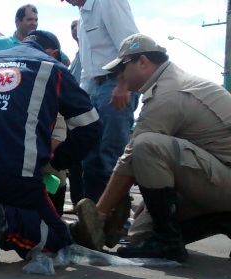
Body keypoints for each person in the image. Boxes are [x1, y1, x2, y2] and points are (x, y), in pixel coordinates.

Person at [0, 30, 101, 269]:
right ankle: (7, 222)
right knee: (58, 239)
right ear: (54, 53)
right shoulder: (54, 69)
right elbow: (90, 127)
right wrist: (57, 162)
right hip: (16, 171)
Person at [74, 33, 231, 262]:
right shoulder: (170, 83)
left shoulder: (168, 93)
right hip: (219, 176)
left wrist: (100, 213)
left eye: (122, 68)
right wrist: (152, 200)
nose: (120, 76)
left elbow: (131, 158)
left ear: (143, 61)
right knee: (141, 234)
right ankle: (221, 220)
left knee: (145, 145)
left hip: (224, 177)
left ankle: (168, 242)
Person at [61, 0, 140, 204]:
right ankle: (96, 221)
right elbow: (88, 68)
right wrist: (79, 102)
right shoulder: (82, 15)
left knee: (110, 157)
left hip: (115, 83)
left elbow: (131, 43)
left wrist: (123, 85)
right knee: (91, 161)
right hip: (94, 89)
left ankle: (117, 222)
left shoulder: (108, 2)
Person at [0, 4, 69, 66]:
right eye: (29, 19)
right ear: (17, 21)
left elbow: (65, 61)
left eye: (36, 20)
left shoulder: (43, 43)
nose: (34, 23)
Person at [66, 19, 84, 210]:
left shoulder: (90, 52)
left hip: (87, 113)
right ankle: (79, 204)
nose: (74, 30)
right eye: (72, 27)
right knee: (76, 163)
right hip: (75, 115)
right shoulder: (77, 56)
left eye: (77, 26)